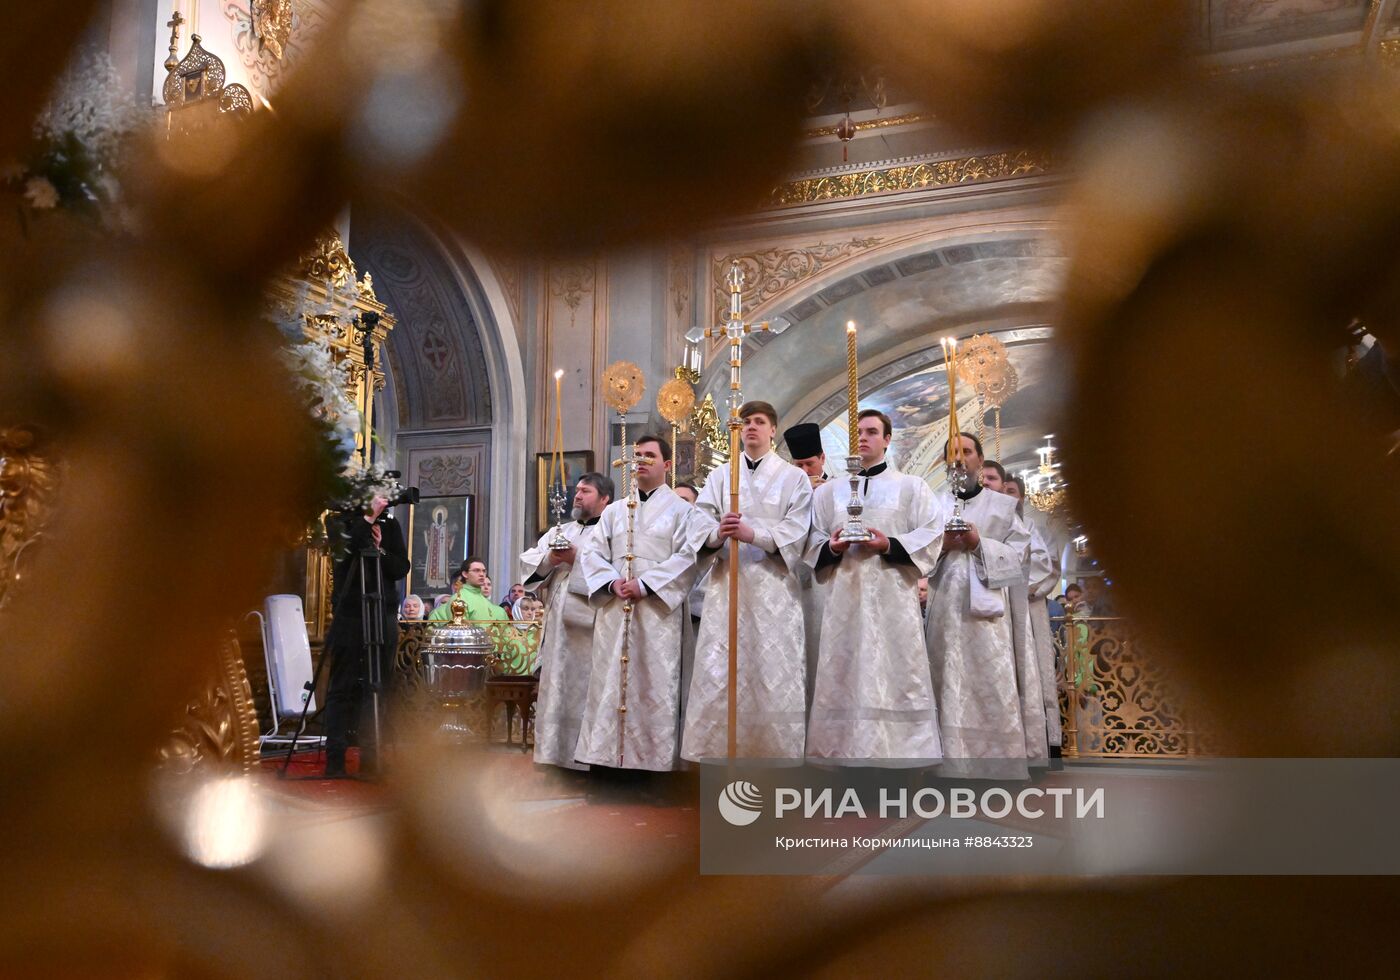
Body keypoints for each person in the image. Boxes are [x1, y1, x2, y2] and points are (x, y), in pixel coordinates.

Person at [803, 409, 945, 766]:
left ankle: (898, 760)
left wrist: (889, 545)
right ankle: (841, 757)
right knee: (843, 674)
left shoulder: (911, 487)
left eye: (871, 432)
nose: (863, 438)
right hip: (843, 603)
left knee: (895, 674)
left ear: (887, 439)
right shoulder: (830, 492)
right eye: (858, 433)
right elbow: (809, 540)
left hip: (892, 602)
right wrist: (831, 547)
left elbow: (932, 533)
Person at [682, 401, 812, 763]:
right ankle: (717, 754)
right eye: (745, 423)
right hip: (727, 587)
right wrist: (716, 533)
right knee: (720, 668)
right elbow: (700, 521)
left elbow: (798, 529)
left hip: (774, 590)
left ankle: (773, 756)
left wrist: (753, 534)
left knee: (772, 670)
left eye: (759, 422)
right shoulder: (721, 476)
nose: (751, 428)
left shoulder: (794, 478)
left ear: (773, 430)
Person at [577, 435, 711, 771]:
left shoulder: (683, 512)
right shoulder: (614, 511)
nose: (641, 460)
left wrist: (647, 584)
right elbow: (592, 552)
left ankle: (652, 770)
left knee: (655, 686)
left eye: (650, 455)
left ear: (667, 465)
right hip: (614, 610)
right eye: (637, 454)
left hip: (657, 615)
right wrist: (612, 581)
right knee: (609, 683)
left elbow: (688, 558)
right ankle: (605, 766)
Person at [925, 434, 1046, 779]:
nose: (959, 460)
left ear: (980, 460)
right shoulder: (935, 504)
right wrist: (943, 545)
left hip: (989, 615)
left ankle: (995, 765)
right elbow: (918, 553)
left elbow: (1020, 557)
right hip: (945, 608)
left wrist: (980, 545)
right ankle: (947, 765)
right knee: (946, 678)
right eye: (952, 454)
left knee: (990, 681)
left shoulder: (1003, 507)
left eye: (966, 452)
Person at [519, 472, 613, 771]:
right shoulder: (563, 529)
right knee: (555, 686)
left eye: (586, 491)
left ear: (604, 499)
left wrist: (576, 558)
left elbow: (613, 571)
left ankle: (584, 762)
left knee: (584, 690)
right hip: (557, 625)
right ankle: (553, 756)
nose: (578, 495)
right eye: (577, 490)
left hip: (590, 625)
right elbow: (531, 563)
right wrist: (552, 560)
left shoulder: (612, 531)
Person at [322, 495, 410, 778]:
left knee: (379, 685)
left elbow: (400, 567)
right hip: (350, 612)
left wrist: (380, 549)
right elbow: (345, 552)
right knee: (342, 685)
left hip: (382, 610)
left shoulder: (391, 526)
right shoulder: (337, 521)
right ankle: (335, 759)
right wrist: (368, 520)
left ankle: (372, 758)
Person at [1003, 475, 1063, 753]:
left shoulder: (1030, 527)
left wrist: (1020, 585)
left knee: (1033, 674)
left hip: (1027, 607)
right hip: (998, 610)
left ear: (1022, 498)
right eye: (1002, 490)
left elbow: (1046, 564)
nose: (1006, 496)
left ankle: (1041, 745)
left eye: (1011, 491)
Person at [783, 420, 829, 705]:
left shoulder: (838, 488)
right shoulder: (784, 491)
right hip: (789, 583)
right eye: (797, 465)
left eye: (809, 464)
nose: (803, 472)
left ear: (822, 459)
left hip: (823, 583)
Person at [427, 557, 505, 623]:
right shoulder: (459, 600)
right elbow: (461, 633)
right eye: (476, 570)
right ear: (465, 574)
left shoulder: (490, 604)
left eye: (484, 571)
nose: (482, 574)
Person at [783, 421, 829, 488]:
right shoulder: (789, 490)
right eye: (799, 465)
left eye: (809, 464)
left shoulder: (835, 487)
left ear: (822, 458)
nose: (805, 471)